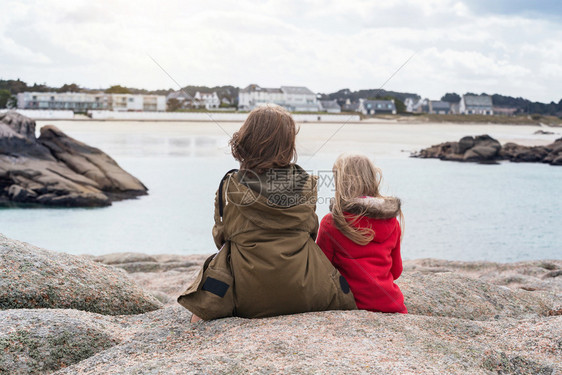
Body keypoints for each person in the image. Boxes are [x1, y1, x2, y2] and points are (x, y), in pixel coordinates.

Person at [178, 105, 356, 321]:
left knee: (202, 307)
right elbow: (311, 231)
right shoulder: (307, 184)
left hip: (247, 294)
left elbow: (221, 236)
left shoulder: (231, 185)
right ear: (288, 145)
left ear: (246, 140)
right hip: (306, 288)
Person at [316, 154, 407, 314]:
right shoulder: (392, 222)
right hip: (393, 305)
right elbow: (396, 271)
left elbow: (321, 271)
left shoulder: (331, 223)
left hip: (352, 305)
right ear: (372, 179)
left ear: (340, 184)